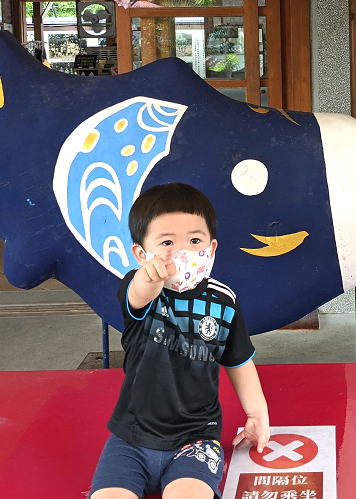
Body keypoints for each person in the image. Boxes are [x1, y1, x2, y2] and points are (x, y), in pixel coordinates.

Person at [90, 183, 270, 499]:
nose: (183, 252)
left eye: (195, 240)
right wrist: (149, 278)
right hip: (129, 438)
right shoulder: (138, 290)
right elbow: (139, 292)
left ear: (212, 248)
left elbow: (239, 360)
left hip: (197, 439)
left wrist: (257, 414)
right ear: (140, 253)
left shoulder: (223, 301)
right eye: (167, 242)